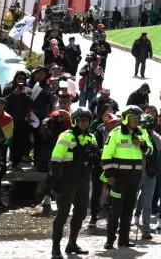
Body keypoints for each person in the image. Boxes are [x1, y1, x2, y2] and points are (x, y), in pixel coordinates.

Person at [101, 105, 153, 250]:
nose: (136, 121)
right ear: (126, 119)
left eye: (138, 118)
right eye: (133, 118)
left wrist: (142, 144)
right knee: (115, 210)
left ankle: (124, 239)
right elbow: (106, 156)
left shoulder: (142, 132)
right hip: (119, 179)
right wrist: (109, 175)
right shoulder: (116, 133)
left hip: (134, 178)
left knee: (129, 209)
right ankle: (110, 240)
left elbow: (150, 151)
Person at [49, 107, 98, 258]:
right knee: (62, 214)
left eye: (86, 121)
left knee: (82, 212)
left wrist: (95, 155)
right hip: (67, 179)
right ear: (75, 121)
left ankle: (72, 244)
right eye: (81, 120)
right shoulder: (66, 136)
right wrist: (55, 180)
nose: (84, 123)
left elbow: (95, 158)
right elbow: (56, 159)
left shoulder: (92, 137)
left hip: (84, 179)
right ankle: (55, 247)